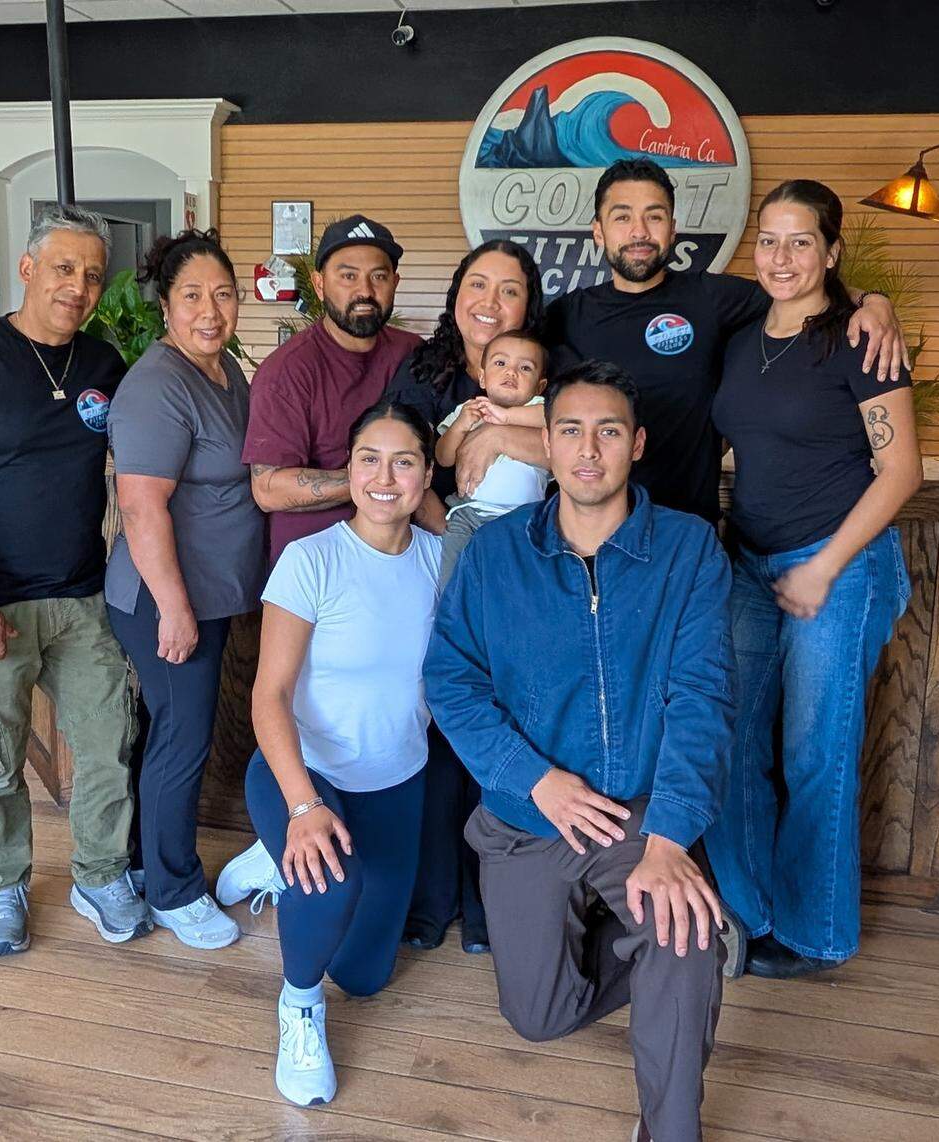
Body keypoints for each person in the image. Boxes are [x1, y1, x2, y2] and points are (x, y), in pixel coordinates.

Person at [426, 361, 738, 1142]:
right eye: (569, 430)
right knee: (538, 1015)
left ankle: (670, 1123)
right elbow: (450, 682)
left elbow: (703, 699)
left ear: (635, 444)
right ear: (547, 444)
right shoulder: (496, 554)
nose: (588, 449)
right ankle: (659, 951)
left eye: (607, 431)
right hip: (528, 815)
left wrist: (668, 840)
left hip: (636, 811)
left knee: (683, 925)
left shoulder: (689, 550)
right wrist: (536, 782)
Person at [0, 205, 148, 959]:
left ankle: (102, 873)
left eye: (93, 275)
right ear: (28, 268)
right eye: (65, 268)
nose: (78, 286)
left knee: (108, 741)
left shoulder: (104, 364)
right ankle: (1, 885)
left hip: (81, 597)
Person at [704, 180, 922, 980]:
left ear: (832, 252)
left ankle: (816, 931)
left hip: (837, 561)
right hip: (748, 562)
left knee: (813, 753)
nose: (782, 257)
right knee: (728, 736)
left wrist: (824, 568)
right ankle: (750, 911)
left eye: (802, 242)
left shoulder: (859, 340)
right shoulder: (739, 331)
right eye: (770, 240)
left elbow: (902, 471)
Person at [219, 400, 442, 1108]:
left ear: (426, 475)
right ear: (347, 470)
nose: (385, 476)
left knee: (369, 975)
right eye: (369, 459)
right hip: (303, 773)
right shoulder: (309, 559)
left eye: (404, 461)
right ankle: (299, 1006)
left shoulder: (442, 561)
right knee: (331, 889)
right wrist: (303, 806)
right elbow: (269, 697)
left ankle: (270, 856)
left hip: (396, 779)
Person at [545, 157, 908, 525]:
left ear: (672, 229)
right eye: (622, 217)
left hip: (687, 532)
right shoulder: (565, 316)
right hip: (591, 531)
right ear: (598, 230)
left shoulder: (713, 298)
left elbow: (800, 284)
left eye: (654, 217)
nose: (639, 232)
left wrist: (873, 301)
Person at [105, 229, 267, 950]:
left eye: (223, 294)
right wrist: (173, 607)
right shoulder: (157, 386)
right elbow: (141, 506)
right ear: (165, 305)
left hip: (210, 593)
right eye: (193, 295)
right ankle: (173, 891)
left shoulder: (224, 368)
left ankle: (142, 861)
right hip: (166, 599)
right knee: (182, 739)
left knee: (167, 732)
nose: (211, 310)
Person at [385, 238, 546, 953]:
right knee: (442, 721)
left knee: (508, 725)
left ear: (528, 307)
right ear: (455, 296)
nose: (490, 302)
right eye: (477, 285)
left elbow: (583, 446)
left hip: (527, 573)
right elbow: (408, 463)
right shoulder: (424, 369)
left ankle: (492, 908)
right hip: (438, 553)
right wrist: (451, 522)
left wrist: (504, 434)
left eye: (509, 290)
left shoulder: (548, 374)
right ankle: (433, 899)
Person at [242, 214, 420, 567]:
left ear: (395, 283)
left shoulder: (413, 354)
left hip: (402, 563)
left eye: (379, 276)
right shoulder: (287, 371)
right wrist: (375, 480)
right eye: (348, 275)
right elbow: (268, 489)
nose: (364, 291)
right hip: (315, 573)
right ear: (320, 284)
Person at [434, 329, 549, 587]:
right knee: (453, 582)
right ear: (483, 377)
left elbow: (555, 417)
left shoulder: (537, 408)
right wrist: (461, 425)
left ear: (540, 385)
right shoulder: (469, 410)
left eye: (525, 368)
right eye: (500, 363)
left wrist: (506, 417)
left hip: (524, 519)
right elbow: (442, 458)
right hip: (468, 515)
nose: (511, 372)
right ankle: (452, 620)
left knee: (517, 584)